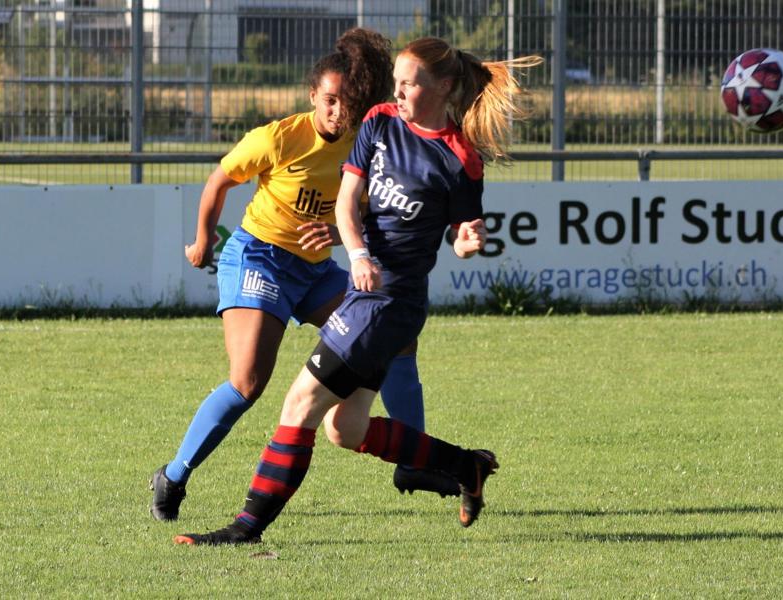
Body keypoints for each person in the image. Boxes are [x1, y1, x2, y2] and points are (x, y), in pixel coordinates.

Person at [174, 37, 542, 545]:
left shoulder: (460, 158)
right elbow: (349, 202)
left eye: (410, 84)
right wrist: (359, 254)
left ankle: (246, 528)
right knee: (345, 430)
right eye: (397, 83)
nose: (399, 92)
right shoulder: (379, 122)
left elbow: (459, 238)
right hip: (364, 290)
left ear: (445, 87)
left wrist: (468, 240)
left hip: (393, 304)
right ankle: (467, 466)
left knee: (299, 404)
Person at [150, 28, 459, 523]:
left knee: (398, 338)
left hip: (315, 272)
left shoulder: (366, 141)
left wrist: (338, 240)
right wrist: (205, 241)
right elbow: (219, 180)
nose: (338, 111)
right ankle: (175, 474)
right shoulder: (278, 137)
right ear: (313, 95)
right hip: (259, 258)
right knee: (249, 381)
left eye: (347, 101)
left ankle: (412, 462)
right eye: (330, 100)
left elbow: (363, 214)